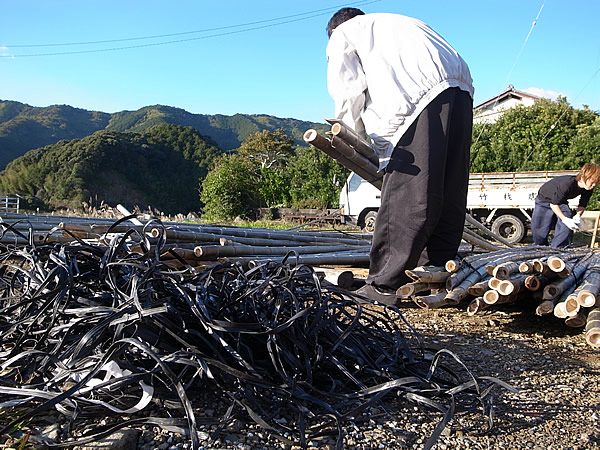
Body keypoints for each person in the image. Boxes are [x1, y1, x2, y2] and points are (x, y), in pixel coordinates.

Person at [326, 8, 474, 304]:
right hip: (460, 87)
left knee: (409, 193)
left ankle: (383, 283)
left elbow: (348, 91)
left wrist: (350, 138)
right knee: (447, 187)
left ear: (335, 29)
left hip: (416, 98)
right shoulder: (400, 22)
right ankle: (436, 271)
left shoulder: (344, 33)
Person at [531, 163, 600, 248]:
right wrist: (564, 219)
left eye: (595, 183)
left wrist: (578, 215)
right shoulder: (567, 184)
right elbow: (553, 204)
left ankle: (560, 248)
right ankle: (540, 247)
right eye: (592, 182)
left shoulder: (588, 189)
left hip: (560, 201)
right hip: (544, 200)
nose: (593, 185)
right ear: (583, 177)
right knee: (539, 228)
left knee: (568, 217)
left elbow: (582, 204)